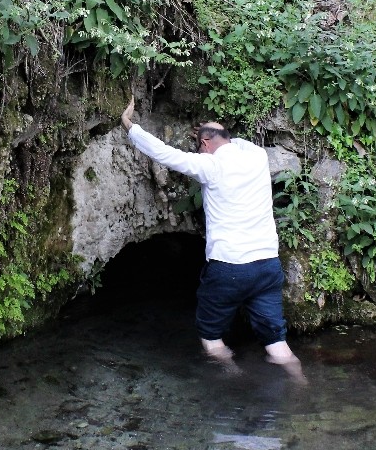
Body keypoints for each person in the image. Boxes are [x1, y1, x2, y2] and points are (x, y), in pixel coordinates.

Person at [120, 96, 299, 366]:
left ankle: (231, 378)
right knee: (276, 339)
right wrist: (213, 132)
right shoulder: (257, 156)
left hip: (230, 268)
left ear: (204, 144)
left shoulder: (210, 165)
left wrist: (129, 125)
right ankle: (299, 381)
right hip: (267, 266)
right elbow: (233, 142)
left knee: (211, 334)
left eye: (201, 146)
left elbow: (165, 153)